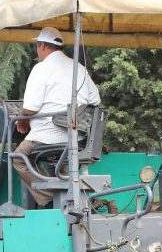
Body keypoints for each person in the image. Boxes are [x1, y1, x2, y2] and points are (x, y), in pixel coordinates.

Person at [13, 26, 101, 208]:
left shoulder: (41, 68)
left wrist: (22, 120)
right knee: (61, 158)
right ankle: (65, 192)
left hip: (48, 135)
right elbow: (95, 99)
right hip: (79, 136)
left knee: (18, 157)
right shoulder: (79, 68)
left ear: (42, 46)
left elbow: (30, 107)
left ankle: (49, 198)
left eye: (37, 46)